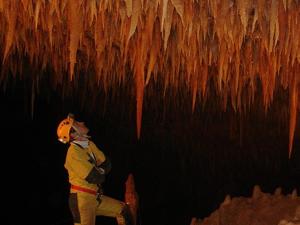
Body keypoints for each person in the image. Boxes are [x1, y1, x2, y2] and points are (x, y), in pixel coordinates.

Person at [57, 113, 134, 225]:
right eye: (77, 123)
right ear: (73, 134)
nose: (81, 122)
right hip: (82, 200)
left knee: (123, 211)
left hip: (95, 197)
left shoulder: (89, 144)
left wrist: (100, 170)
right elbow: (95, 177)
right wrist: (100, 170)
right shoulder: (73, 153)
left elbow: (107, 164)